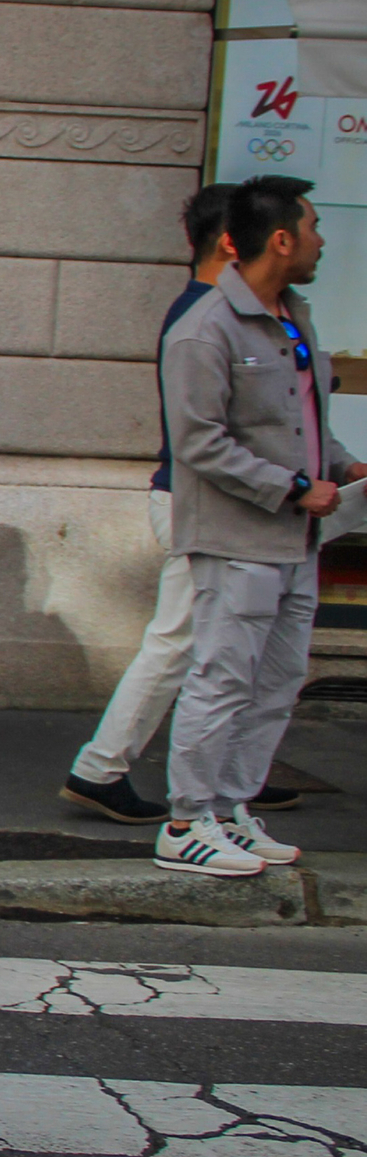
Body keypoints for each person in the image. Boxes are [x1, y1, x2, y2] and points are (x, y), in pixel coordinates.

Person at [61, 184, 302, 823]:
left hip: (198, 499)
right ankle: (103, 767)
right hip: (198, 501)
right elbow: (205, 435)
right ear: (232, 243)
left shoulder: (213, 310)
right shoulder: (204, 315)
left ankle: (219, 772)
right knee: (180, 641)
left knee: (199, 643)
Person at [153, 175, 365, 877]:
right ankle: (185, 822)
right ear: (280, 239)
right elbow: (199, 443)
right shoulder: (204, 328)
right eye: (312, 228)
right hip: (237, 538)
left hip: (297, 541)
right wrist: (295, 489)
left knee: (276, 681)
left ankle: (228, 809)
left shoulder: (293, 317)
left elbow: (301, 422)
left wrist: (344, 465)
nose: (320, 242)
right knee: (221, 678)